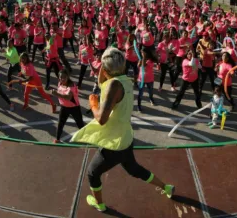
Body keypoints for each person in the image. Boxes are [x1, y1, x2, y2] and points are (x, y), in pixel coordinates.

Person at [70, 47, 174, 212]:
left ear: (105, 69)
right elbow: (102, 83)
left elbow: (102, 119)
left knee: (92, 173)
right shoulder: (125, 80)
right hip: (126, 138)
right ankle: (166, 187)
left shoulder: (113, 86)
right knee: (135, 170)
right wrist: (103, 70)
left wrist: (93, 104)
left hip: (114, 142)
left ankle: (100, 204)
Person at [51, 69, 84, 143]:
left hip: (74, 108)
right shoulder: (60, 83)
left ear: (68, 77)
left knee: (80, 124)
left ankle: (86, 138)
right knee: (60, 123)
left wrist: (56, 94)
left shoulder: (71, 86)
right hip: (64, 107)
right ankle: (57, 139)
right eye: (60, 77)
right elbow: (61, 93)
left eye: (64, 77)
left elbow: (68, 97)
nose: (62, 79)